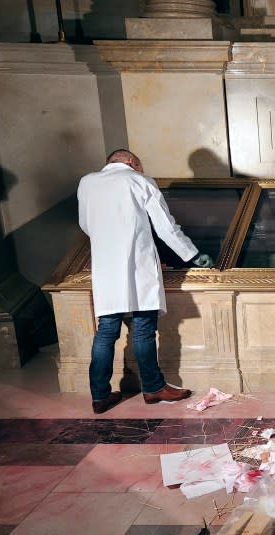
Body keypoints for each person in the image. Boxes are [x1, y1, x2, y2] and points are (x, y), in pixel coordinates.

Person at [78, 149, 214, 414]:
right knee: (142, 327)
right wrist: (193, 254)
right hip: (136, 265)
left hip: (105, 267)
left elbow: (86, 224)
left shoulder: (87, 183)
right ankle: (153, 388)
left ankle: (99, 395)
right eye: (140, 165)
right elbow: (166, 227)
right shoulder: (140, 181)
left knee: (106, 331)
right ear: (132, 162)